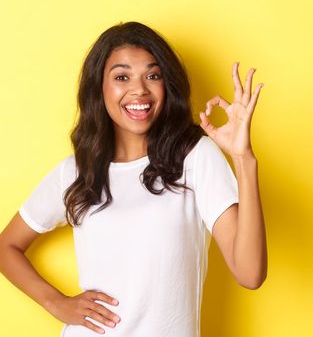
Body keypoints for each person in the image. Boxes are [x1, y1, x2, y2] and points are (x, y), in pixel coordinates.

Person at [0, 21, 268, 336]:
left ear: (167, 85)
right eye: (122, 77)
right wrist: (56, 302)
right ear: (99, 87)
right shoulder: (75, 171)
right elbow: (6, 247)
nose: (139, 89)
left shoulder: (194, 157)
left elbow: (250, 274)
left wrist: (243, 159)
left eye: (152, 76)